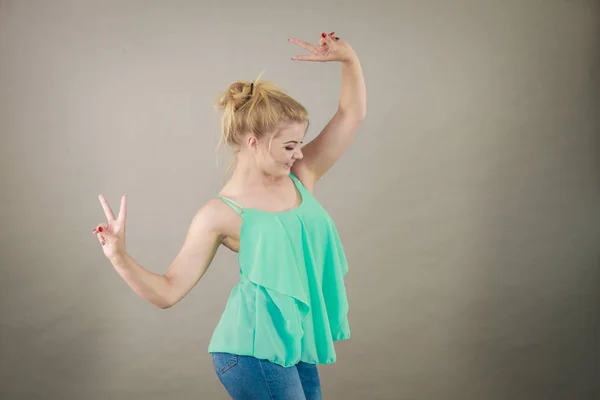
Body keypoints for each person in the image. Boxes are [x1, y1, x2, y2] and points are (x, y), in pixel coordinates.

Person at [92, 31, 366, 399]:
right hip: (250, 352)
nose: (299, 154)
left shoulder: (301, 177)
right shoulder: (219, 214)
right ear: (254, 142)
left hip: (292, 345)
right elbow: (168, 291)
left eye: (300, 144)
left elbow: (351, 114)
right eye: (289, 146)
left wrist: (349, 60)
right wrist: (119, 257)